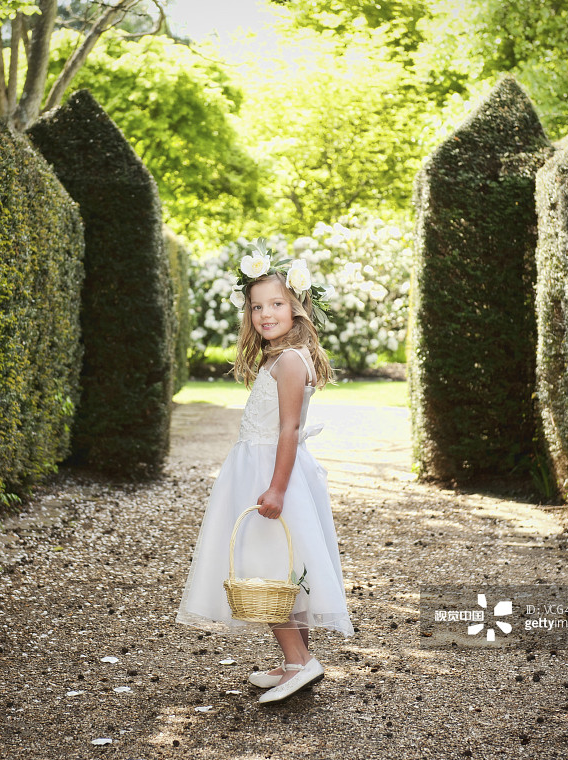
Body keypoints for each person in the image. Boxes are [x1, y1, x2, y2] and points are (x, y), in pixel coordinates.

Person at [176, 240, 353, 705]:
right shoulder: (274, 357)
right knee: (285, 571)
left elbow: (289, 429)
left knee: (267, 569)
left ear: (296, 306)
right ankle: (295, 662)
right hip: (261, 468)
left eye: (276, 304)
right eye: (257, 306)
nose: (265, 314)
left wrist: (276, 488)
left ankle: (303, 660)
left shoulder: (291, 361)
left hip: (274, 474)